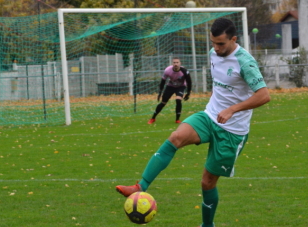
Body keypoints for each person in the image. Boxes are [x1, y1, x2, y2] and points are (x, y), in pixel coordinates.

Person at [116, 18, 271, 227]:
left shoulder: (245, 62)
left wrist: (233, 109)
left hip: (232, 131)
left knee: (207, 182)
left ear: (234, 39)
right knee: (175, 137)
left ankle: (207, 225)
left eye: (221, 44)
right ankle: (140, 186)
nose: (215, 48)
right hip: (210, 116)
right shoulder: (213, 53)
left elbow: (264, 95)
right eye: (213, 42)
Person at [147, 57, 192, 124]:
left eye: (177, 62)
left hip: (181, 86)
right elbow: (163, 81)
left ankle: (177, 119)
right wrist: (160, 93)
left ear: (180, 63)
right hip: (170, 86)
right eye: (174, 62)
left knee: (178, 100)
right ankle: (153, 118)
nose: (176, 64)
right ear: (172, 63)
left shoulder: (185, 71)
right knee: (163, 103)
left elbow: (189, 82)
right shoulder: (168, 70)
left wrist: (188, 93)